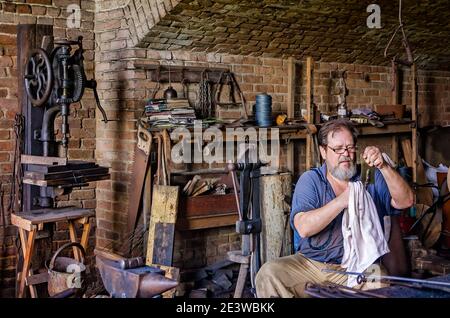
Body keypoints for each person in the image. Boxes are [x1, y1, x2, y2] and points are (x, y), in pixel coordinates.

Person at [255, 119, 414, 298]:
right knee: (269, 274)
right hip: (311, 264)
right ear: (323, 151)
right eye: (337, 149)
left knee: (380, 283)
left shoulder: (368, 177)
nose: (345, 154)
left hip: (360, 266)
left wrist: (383, 166)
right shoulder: (311, 180)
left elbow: (406, 201)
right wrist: (342, 201)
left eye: (350, 147)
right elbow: (303, 227)